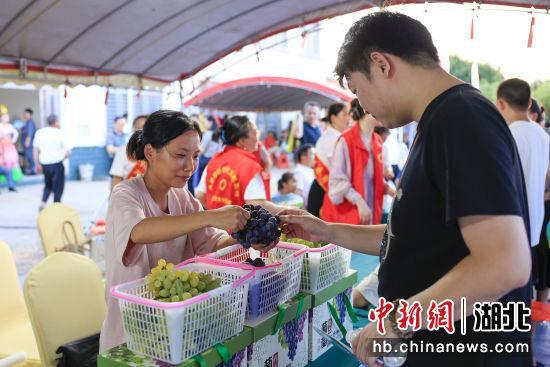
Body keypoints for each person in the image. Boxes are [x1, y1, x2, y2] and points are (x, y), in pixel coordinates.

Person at [281, 12, 532, 366]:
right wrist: (326, 229)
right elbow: (416, 236)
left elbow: (506, 264)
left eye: (357, 89)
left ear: (380, 64)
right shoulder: (437, 121)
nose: (361, 105)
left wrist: (399, 321)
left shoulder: (461, 118)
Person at [99, 110, 276, 351]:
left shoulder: (181, 196)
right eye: (181, 155)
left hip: (176, 329)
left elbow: (211, 243)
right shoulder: (126, 194)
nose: (190, 166)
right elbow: (139, 231)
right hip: (133, 333)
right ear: (150, 153)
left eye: (195, 156)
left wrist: (245, 236)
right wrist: (209, 215)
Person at [497, 81, 550, 306]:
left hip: (511, 220)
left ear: (500, 104)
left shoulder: (505, 134)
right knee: (525, 281)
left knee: (505, 287)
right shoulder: (543, 136)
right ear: (529, 103)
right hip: (535, 220)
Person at [322, 99, 391, 225]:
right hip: (348, 215)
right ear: (367, 109)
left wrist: (388, 188)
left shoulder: (377, 141)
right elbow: (337, 181)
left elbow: (372, 178)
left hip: (369, 210)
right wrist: (359, 201)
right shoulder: (346, 140)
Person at [196, 116, 283, 214]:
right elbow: (257, 204)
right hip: (239, 228)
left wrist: (218, 214)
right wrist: (286, 210)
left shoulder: (215, 160)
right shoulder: (249, 166)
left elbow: (200, 195)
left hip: (215, 226)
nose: (257, 138)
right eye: (255, 133)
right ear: (242, 141)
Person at [308, 102, 351, 217]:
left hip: (330, 189)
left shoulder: (337, 136)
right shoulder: (331, 138)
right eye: (344, 114)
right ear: (333, 117)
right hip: (322, 190)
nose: (348, 118)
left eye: (349, 114)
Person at [33, 115, 71, 210]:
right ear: (56, 122)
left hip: (45, 164)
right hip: (57, 163)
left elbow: (35, 150)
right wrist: (62, 157)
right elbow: (68, 151)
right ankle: (56, 207)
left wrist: (37, 164)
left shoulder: (39, 133)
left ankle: (43, 202)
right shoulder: (60, 133)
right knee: (58, 187)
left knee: (48, 185)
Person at [109, 115, 148, 191]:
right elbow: (116, 178)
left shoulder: (158, 150)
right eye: (137, 128)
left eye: (144, 127)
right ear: (133, 130)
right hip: (129, 195)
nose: (141, 131)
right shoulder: (124, 150)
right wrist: (114, 199)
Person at [0, 104, 19, 192]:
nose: (6, 118)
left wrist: (12, 140)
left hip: (9, 147)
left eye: (7, 116)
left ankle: (11, 185)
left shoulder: (10, 126)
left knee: (10, 164)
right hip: (2, 146)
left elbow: (16, 133)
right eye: (4, 117)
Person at [293, 144, 315, 208]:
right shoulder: (299, 171)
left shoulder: (310, 170)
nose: (315, 157)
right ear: (303, 157)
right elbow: (298, 193)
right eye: (312, 154)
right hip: (309, 210)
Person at [21, 108, 37, 174]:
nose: (24, 115)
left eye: (26, 114)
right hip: (27, 145)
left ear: (29, 114)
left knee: (31, 157)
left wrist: (27, 142)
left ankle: (33, 170)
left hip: (29, 144)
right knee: (29, 157)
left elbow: (29, 134)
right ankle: (32, 169)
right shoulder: (27, 123)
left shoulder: (30, 123)